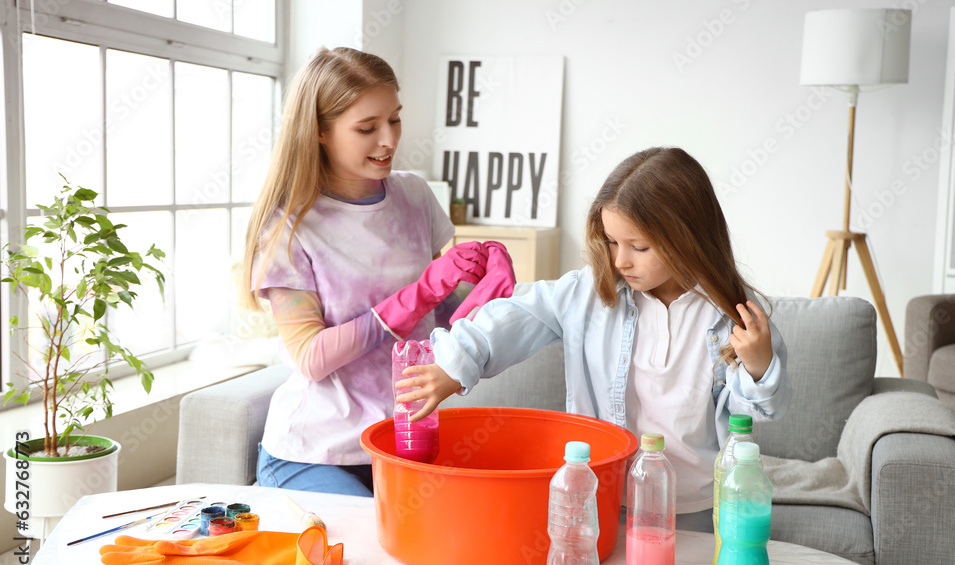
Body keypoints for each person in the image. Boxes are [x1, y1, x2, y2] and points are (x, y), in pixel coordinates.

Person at [396, 147, 792, 531]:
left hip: (697, 504)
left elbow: (753, 416)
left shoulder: (732, 313)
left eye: (639, 246)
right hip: (609, 494)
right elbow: (517, 313)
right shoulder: (589, 294)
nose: (620, 260)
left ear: (687, 237)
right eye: (612, 242)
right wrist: (456, 362)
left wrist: (758, 364)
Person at [240, 47, 510, 496]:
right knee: (374, 545)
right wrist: (417, 295)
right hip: (315, 450)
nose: (389, 140)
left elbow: (440, 320)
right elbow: (310, 358)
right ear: (320, 132)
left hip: (405, 438)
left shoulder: (414, 196)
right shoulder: (288, 227)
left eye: (395, 120)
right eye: (367, 128)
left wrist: (486, 289)